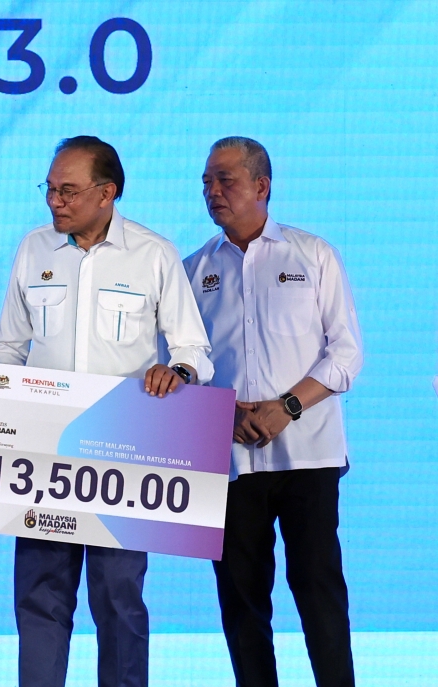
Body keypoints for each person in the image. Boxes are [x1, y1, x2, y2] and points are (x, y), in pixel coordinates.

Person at [0, 136, 213, 687]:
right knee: (40, 595)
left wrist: (177, 373)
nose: (53, 202)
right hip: (43, 451)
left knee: (119, 598)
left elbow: (193, 351)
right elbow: (8, 348)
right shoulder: (33, 249)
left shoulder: (153, 253)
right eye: (49, 189)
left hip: (124, 449)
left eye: (67, 190)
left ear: (107, 193)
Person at [184, 136, 363, 687]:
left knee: (319, 595)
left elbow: (347, 353)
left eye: (226, 180)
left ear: (262, 186)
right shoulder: (192, 269)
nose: (214, 191)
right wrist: (223, 412)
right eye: (207, 182)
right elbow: (181, 364)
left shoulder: (313, 254)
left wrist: (288, 406)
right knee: (241, 606)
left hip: (308, 457)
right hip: (230, 461)